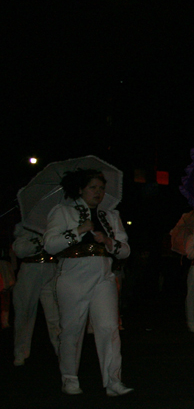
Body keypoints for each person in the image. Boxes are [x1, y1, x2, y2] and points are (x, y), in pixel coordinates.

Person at [44, 169, 132, 396]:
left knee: (108, 327)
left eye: (101, 188)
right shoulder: (63, 212)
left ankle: (113, 380)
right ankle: (70, 377)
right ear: (81, 189)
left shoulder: (110, 216)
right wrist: (78, 231)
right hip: (73, 275)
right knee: (72, 328)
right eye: (93, 187)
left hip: (103, 275)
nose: (99, 192)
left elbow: (125, 251)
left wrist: (110, 242)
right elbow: (50, 245)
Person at [12, 223, 60, 366]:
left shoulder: (53, 224)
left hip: (50, 268)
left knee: (55, 314)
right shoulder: (26, 226)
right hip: (30, 270)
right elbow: (19, 250)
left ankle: (61, 349)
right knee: (24, 312)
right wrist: (41, 241)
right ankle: (21, 351)